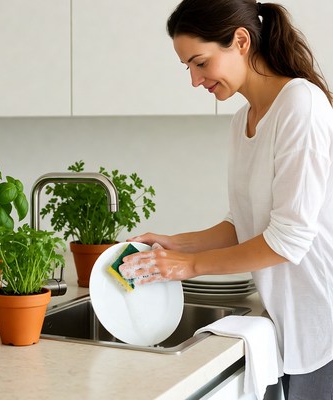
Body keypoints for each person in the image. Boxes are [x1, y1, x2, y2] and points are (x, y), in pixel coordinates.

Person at [118, 0, 333, 399]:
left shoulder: (299, 105)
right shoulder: (244, 120)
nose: (195, 80)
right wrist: (173, 244)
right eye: (188, 67)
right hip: (290, 321)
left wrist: (188, 265)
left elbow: (288, 240)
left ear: (240, 41)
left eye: (200, 62)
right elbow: (244, 222)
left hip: (323, 324)